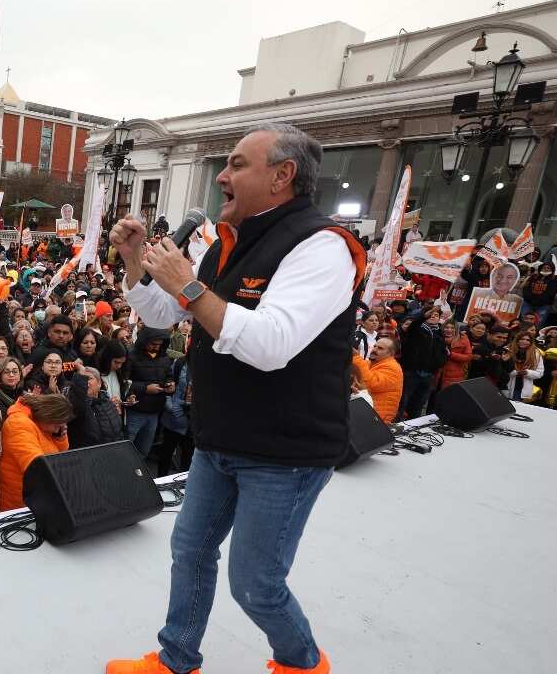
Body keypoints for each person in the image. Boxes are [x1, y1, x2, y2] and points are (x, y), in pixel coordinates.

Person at [108, 123, 365, 674]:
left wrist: (189, 285)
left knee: (255, 583)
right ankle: (176, 659)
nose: (221, 176)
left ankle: (302, 663)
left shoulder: (322, 248)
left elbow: (271, 345)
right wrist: (135, 261)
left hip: (284, 451)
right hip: (219, 437)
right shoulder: (228, 243)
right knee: (190, 550)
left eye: (237, 164)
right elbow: (164, 315)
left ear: (282, 176)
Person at [0, 393, 72, 511]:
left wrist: (59, 437)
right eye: (58, 424)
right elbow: (35, 466)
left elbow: (58, 454)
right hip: (19, 506)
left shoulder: (40, 423)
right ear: (49, 415)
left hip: (35, 500)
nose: (59, 428)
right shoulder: (18, 423)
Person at [125, 327, 174, 456]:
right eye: (153, 344)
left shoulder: (165, 357)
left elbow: (169, 376)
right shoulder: (131, 356)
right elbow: (124, 382)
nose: (156, 347)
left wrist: (170, 385)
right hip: (135, 411)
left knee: (143, 451)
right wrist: (145, 388)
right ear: (144, 340)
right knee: (126, 451)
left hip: (154, 412)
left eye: (159, 344)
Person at [397, 306, 448, 419]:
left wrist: (439, 363)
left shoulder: (439, 332)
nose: (433, 316)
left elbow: (443, 351)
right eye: (430, 314)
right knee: (403, 402)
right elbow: (414, 324)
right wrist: (423, 316)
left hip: (429, 375)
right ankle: (398, 423)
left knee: (418, 405)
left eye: (436, 315)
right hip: (412, 373)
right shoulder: (417, 328)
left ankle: (414, 424)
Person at [66, 366, 123, 449]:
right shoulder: (74, 405)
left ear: (99, 383)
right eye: (82, 379)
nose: (85, 382)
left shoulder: (109, 402)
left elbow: (119, 431)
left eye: (89, 378)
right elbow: (78, 401)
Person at [350, 337, 403, 423]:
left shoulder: (392, 368)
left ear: (391, 353)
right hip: (368, 412)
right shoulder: (372, 363)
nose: (374, 349)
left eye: (380, 348)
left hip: (378, 419)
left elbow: (371, 383)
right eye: (375, 346)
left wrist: (356, 357)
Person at [503, 331, 545, 402]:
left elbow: (540, 373)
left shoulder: (536, 354)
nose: (524, 341)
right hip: (506, 386)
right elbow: (502, 370)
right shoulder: (507, 350)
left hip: (521, 390)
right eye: (522, 339)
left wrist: (527, 372)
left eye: (528, 340)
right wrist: (516, 373)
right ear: (517, 340)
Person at [437, 322, 472, 390]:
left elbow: (468, 357)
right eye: (446, 327)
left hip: (453, 375)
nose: (449, 330)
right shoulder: (437, 337)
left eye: (452, 328)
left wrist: (451, 354)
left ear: (456, 329)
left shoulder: (463, 339)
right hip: (436, 373)